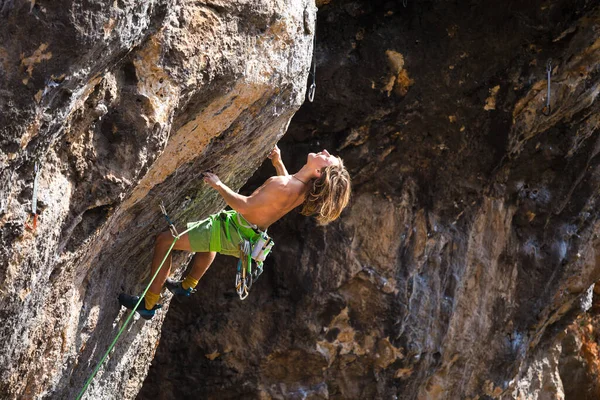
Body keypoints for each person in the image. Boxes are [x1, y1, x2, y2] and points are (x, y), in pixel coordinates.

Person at [118, 146, 351, 319]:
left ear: (319, 171)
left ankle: (149, 303)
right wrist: (278, 162)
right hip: (247, 235)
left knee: (165, 241)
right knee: (211, 243)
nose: (324, 151)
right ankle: (187, 285)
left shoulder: (285, 186)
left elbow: (245, 206)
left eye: (327, 157)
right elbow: (287, 182)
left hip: (234, 228)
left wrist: (218, 185)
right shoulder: (301, 189)